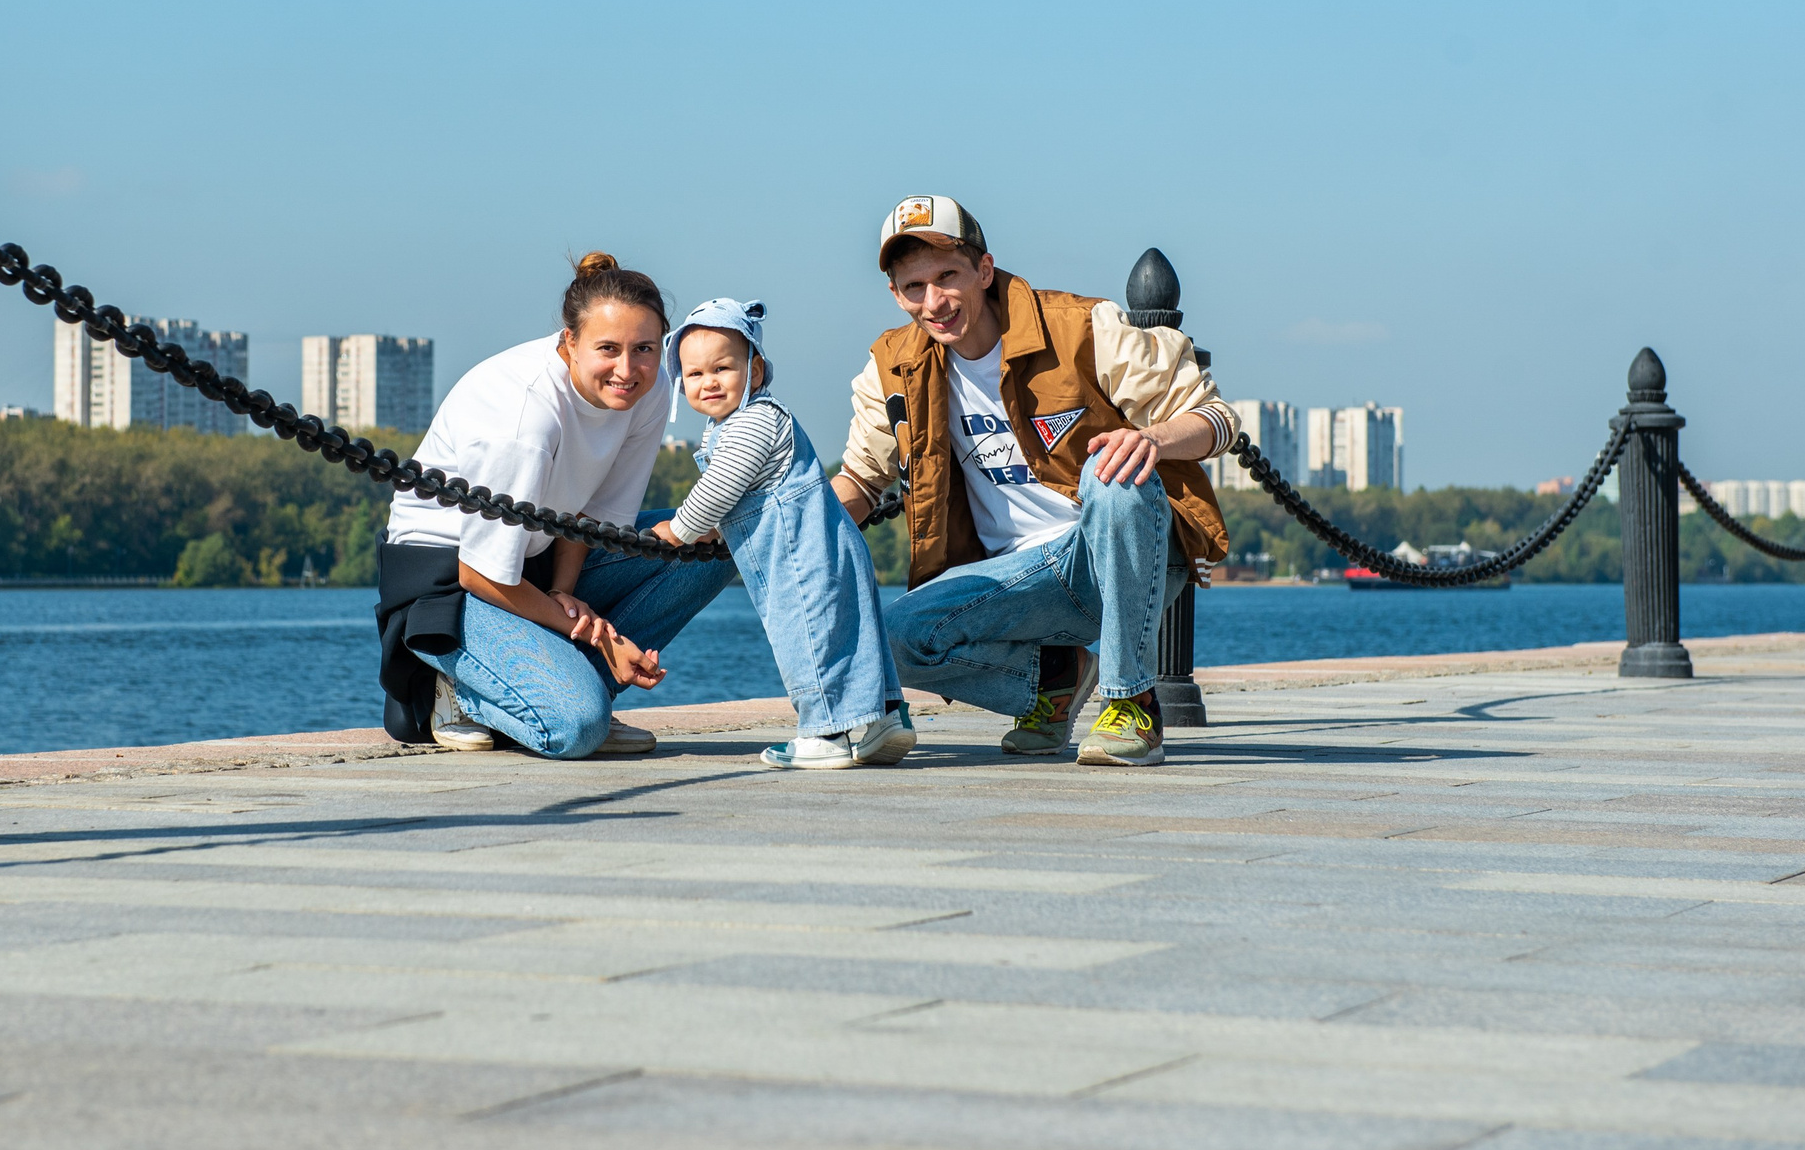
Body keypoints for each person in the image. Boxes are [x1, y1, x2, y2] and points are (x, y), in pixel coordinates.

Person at [830, 196, 1235, 767]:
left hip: (1119, 554)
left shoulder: (1082, 328)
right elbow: (860, 482)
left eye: (948, 276)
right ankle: (1055, 677)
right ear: (896, 294)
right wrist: (794, 526)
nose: (935, 301)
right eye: (914, 286)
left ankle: (1132, 704)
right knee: (894, 636)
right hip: (1019, 578)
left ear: (984, 270)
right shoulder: (891, 367)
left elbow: (1216, 419)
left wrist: (1152, 440)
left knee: (1111, 470)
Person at [376, 252, 737, 758]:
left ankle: (565, 684)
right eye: (607, 348)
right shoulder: (525, 418)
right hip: (451, 585)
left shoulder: (643, 392)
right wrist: (587, 632)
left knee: (718, 543)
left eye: (645, 349)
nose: (627, 369)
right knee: (577, 729)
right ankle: (459, 685)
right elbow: (481, 572)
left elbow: (595, 522)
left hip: (536, 558)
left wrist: (566, 592)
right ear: (569, 342)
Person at [648, 299, 915, 770]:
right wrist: (714, 527)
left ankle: (826, 731)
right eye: (694, 374)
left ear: (754, 372)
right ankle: (884, 718)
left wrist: (683, 528)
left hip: (799, 552)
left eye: (722, 368)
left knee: (806, 635)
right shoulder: (737, 423)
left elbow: (720, 486)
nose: (708, 382)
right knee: (852, 632)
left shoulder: (754, 420)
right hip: (831, 543)